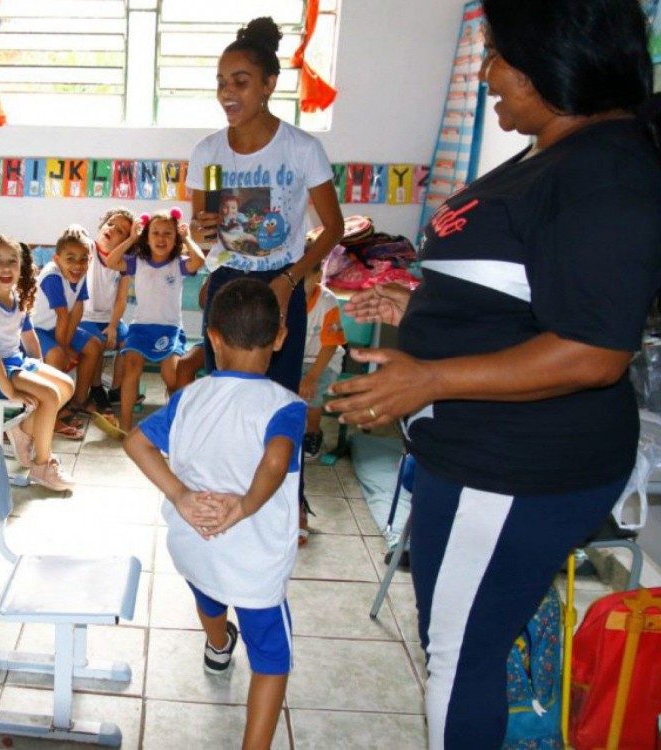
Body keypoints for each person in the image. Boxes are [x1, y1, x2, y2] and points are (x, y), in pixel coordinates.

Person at [326, 1, 661, 745]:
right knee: (457, 634)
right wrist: (418, 308)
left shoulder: (606, 171)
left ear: (557, 56)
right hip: (480, 457)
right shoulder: (555, 148)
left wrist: (429, 380)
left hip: (515, 468)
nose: (488, 73)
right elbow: (520, 295)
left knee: (459, 657)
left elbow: (592, 351)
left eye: (502, 53)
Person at [124, 278, 303, 750]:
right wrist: (243, 506)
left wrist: (181, 496)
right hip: (253, 563)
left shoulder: (188, 397)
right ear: (280, 338)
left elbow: (136, 442)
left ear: (214, 339)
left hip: (193, 545)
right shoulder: (286, 408)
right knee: (272, 659)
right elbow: (276, 461)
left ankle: (219, 645)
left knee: (209, 594)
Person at [186, 15, 344, 543]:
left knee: (278, 401)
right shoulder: (209, 153)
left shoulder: (301, 149)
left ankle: (286, 500)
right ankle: (224, 492)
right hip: (228, 283)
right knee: (223, 395)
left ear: (269, 85)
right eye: (221, 82)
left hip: (283, 282)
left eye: (240, 81)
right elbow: (202, 225)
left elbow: (334, 228)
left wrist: (291, 280)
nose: (227, 92)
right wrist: (204, 232)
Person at [0, 234, 75, 491]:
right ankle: (41, 465)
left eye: (12, 261)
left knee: (65, 386)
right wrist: (10, 391)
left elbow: (29, 337)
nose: (6, 268)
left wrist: (39, 367)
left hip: (15, 363)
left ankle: (23, 430)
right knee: (48, 395)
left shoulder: (18, 298)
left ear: (21, 266)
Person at [103, 208, 206, 433]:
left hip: (169, 330)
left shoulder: (179, 263)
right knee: (131, 369)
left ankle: (175, 426)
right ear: (146, 238)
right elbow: (111, 262)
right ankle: (127, 426)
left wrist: (188, 237)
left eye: (168, 234)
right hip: (140, 329)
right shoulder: (137, 262)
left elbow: (199, 260)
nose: (161, 238)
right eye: (155, 233)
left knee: (171, 375)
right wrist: (131, 238)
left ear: (176, 238)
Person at [31, 225, 102, 439]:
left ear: (90, 259)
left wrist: (69, 342)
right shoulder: (53, 277)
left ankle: (78, 401)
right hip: (37, 329)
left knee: (94, 345)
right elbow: (63, 315)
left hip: (57, 327)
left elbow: (77, 309)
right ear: (57, 258)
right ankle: (53, 414)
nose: (78, 265)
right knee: (57, 356)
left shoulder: (79, 274)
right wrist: (65, 348)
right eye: (70, 259)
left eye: (83, 259)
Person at [77, 208, 134, 415]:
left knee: (130, 343)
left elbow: (121, 299)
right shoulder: (88, 249)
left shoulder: (124, 264)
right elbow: (75, 234)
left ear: (127, 241)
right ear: (101, 225)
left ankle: (116, 389)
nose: (112, 229)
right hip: (84, 318)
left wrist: (112, 325)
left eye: (120, 231)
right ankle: (96, 387)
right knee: (98, 342)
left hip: (109, 318)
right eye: (110, 223)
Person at [298, 262, 344, 460]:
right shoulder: (285, 298)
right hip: (295, 358)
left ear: (318, 276)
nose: (297, 285)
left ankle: (313, 432)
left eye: (304, 279)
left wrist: (312, 377)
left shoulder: (327, 302)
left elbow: (330, 345)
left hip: (323, 360)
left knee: (310, 393)